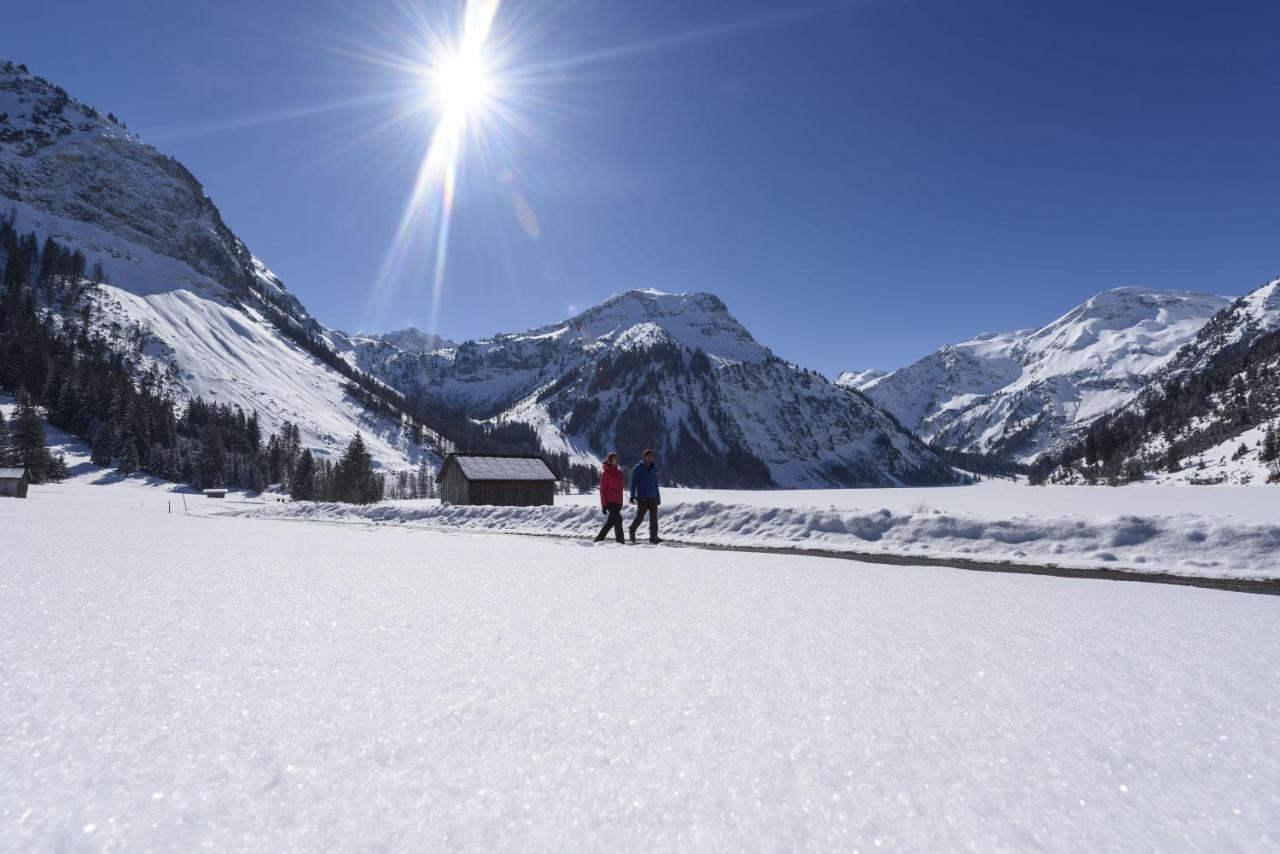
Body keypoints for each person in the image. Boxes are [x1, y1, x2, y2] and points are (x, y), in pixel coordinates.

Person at [629, 448, 662, 544]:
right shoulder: (638, 468)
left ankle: (653, 536)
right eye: (648, 456)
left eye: (651, 456)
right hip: (642, 497)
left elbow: (656, 484)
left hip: (653, 497)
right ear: (644, 457)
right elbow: (633, 483)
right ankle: (632, 529)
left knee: (654, 518)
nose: (650, 458)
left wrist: (658, 497)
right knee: (640, 517)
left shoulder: (654, 468)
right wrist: (632, 496)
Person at [594, 452, 625, 544]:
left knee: (610, 523)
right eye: (614, 459)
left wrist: (620, 502)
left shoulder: (619, 473)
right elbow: (602, 490)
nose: (616, 460)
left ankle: (598, 540)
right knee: (618, 520)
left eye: (616, 459)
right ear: (610, 460)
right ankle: (621, 543)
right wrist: (604, 505)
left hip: (618, 501)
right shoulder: (605, 474)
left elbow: (620, 489)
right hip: (610, 502)